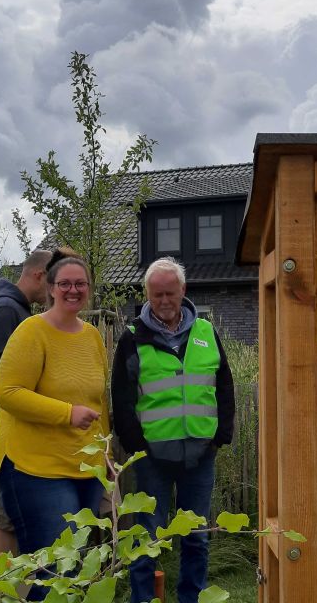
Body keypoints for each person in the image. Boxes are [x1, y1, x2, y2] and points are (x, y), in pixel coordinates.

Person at [111, 256, 236, 603]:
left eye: (170, 293)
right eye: (156, 295)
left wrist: (220, 436)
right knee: (145, 537)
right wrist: (138, 445)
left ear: (183, 290)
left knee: (196, 535)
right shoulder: (133, 337)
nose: (164, 301)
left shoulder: (206, 332)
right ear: (147, 295)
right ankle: (143, 599)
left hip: (200, 453)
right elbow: (121, 398)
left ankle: (190, 598)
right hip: (153, 457)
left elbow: (223, 385)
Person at [0, 251, 110, 601]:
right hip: (34, 467)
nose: (73, 290)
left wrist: (106, 458)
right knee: (55, 566)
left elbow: (98, 403)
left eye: (80, 284)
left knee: (72, 565)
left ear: (88, 288)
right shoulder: (32, 331)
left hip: (84, 467)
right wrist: (65, 413)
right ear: (50, 288)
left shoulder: (92, 337)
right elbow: (7, 392)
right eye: (65, 284)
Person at [0, 248, 51, 557]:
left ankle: (17, 583)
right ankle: (3, 588)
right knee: (10, 511)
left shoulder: (18, 308)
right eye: (53, 282)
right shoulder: (7, 309)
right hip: (4, 423)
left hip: (17, 420)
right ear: (38, 275)